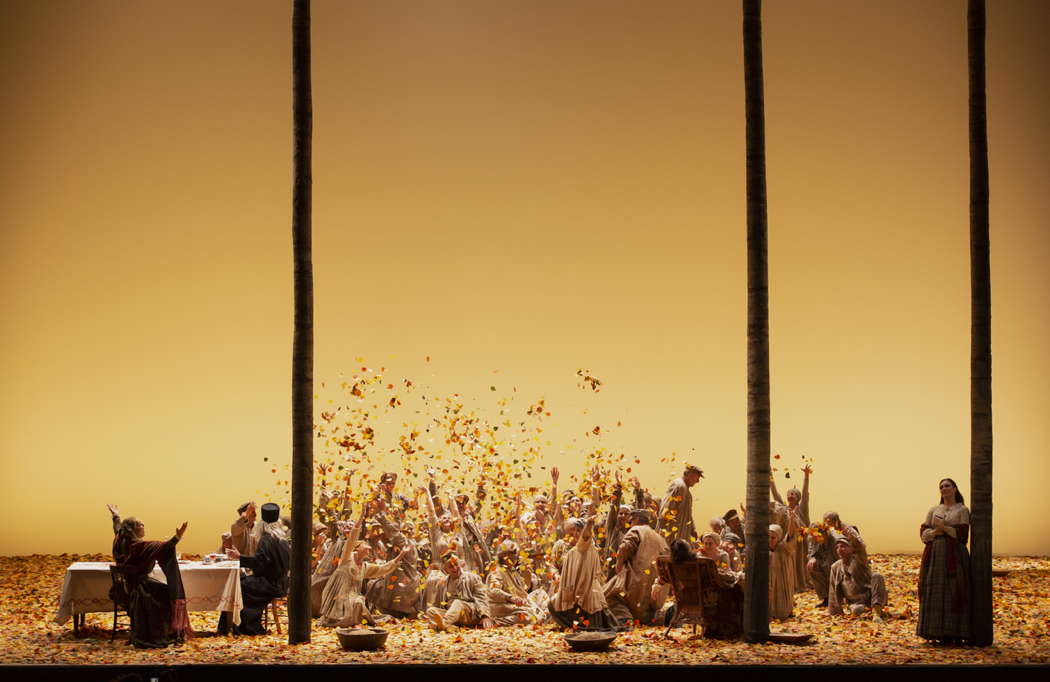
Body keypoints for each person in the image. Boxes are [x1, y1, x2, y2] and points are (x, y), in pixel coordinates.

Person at [107, 503, 192, 648]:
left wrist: (116, 515)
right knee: (167, 593)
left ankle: (162, 630)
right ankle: (160, 632)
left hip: (127, 586)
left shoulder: (121, 539)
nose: (143, 525)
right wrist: (177, 537)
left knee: (163, 590)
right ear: (133, 529)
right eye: (140, 524)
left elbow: (117, 528)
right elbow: (164, 547)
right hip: (141, 589)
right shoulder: (138, 546)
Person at [318, 506, 405, 627]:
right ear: (357, 548)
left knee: (359, 602)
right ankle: (340, 620)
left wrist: (401, 555)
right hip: (337, 592)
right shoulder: (347, 557)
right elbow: (352, 538)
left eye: (369, 549)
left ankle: (355, 620)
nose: (369, 549)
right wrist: (361, 517)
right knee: (346, 610)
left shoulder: (365, 566)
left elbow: (383, 568)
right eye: (366, 547)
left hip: (352, 595)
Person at [917, 478, 973, 643]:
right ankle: (933, 631)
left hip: (954, 554)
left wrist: (944, 528)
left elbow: (963, 536)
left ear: (955, 488)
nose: (944, 488)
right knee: (933, 589)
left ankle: (953, 632)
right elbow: (923, 535)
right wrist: (935, 532)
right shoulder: (934, 509)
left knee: (954, 588)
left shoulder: (962, 510)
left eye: (947, 485)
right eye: (941, 486)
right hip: (934, 554)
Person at [227, 502, 291, 635]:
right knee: (243, 581)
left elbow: (260, 563)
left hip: (271, 584)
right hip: (282, 582)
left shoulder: (266, 539)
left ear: (262, 523)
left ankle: (247, 627)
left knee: (238, 585)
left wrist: (240, 558)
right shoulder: (282, 538)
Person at [549, 516, 618, 630]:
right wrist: (556, 575)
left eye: (578, 530)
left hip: (584, 589)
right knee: (553, 603)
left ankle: (579, 627)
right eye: (574, 530)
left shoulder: (585, 545)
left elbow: (585, 537)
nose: (575, 533)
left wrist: (589, 525)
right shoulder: (562, 545)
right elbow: (553, 564)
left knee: (588, 614)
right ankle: (569, 625)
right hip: (567, 586)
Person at [605, 508, 669, 625]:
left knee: (607, 595)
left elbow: (625, 547)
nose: (630, 524)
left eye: (631, 521)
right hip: (657, 590)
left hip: (637, 583)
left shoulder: (636, 529)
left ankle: (625, 620)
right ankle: (660, 618)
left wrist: (619, 564)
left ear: (637, 520)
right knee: (644, 611)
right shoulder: (659, 537)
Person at [423, 552, 494, 631]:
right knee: (431, 611)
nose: (455, 568)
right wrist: (430, 617)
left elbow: (481, 597)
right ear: (445, 569)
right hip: (451, 616)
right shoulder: (442, 583)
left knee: (457, 603)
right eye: (451, 566)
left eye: (456, 564)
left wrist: (485, 616)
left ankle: (443, 625)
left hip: (469, 615)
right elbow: (436, 605)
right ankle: (449, 627)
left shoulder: (472, 577)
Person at [827, 528, 887, 622]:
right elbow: (833, 590)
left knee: (877, 577)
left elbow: (860, 546)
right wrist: (835, 613)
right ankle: (863, 610)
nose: (839, 550)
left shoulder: (859, 560)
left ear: (852, 548)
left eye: (843, 546)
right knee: (858, 610)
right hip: (854, 602)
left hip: (869, 597)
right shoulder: (835, 567)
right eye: (837, 547)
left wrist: (850, 532)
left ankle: (876, 612)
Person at [486, 540, 548, 626]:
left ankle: (545, 617)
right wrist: (511, 597)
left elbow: (522, 590)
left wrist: (527, 573)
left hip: (519, 603)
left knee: (541, 594)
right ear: (502, 555)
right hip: (505, 605)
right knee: (525, 616)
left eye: (515, 554)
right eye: (511, 554)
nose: (514, 557)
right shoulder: (497, 571)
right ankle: (496, 622)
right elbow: (493, 590)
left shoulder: (512, 570)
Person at [771, 465, 812, 593]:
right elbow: (775, 495)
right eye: (789, 493)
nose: (791, 495)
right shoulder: (783, 508)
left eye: (793, 494)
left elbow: (805, 494)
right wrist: (770, 479)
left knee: (799, 562)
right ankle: (790, 585)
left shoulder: (802, 509)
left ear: (798, 497)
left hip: (800, 542)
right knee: (789, 563)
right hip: (788, 540)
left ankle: (800, 584)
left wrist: (806, 476)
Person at [656, 465, 703, 543]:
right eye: (697, 478)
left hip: (677, 534)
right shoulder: (680, 486)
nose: (698, 481)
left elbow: (687, 512)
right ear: (690, 475)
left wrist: (692, 528)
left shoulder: (684, 488)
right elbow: (667, 508)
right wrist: (663, 529)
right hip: (671, 535)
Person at [768, 522, 795, 620]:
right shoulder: (764, 549)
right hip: (770, 581)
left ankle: (784, 612)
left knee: (782, 608)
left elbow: (790, 535)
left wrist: (791, 520)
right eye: (768, 537)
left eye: (773, 537)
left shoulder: (784, 547)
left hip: (783, 581)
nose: (770, 540)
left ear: (779, 537)